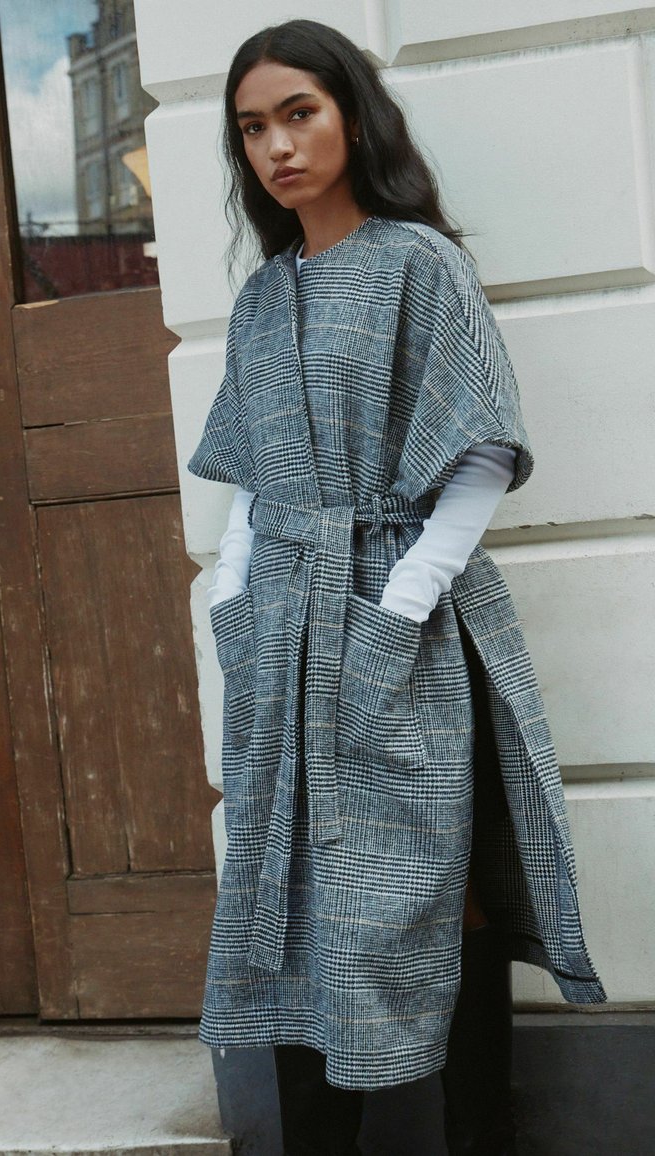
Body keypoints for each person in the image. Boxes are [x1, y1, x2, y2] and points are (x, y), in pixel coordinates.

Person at [186, 19, 606, 1156]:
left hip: (402, 619)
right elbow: (250, 473)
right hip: (283, 622)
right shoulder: (262, 298)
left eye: (299, 113)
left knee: (432, 878)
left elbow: (479, 451)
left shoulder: (420, 263)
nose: (277, 146)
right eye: (253, 128)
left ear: (354, 117)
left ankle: (478, 1132)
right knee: (292, 881)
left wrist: (401, 604)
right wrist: (231, 595)